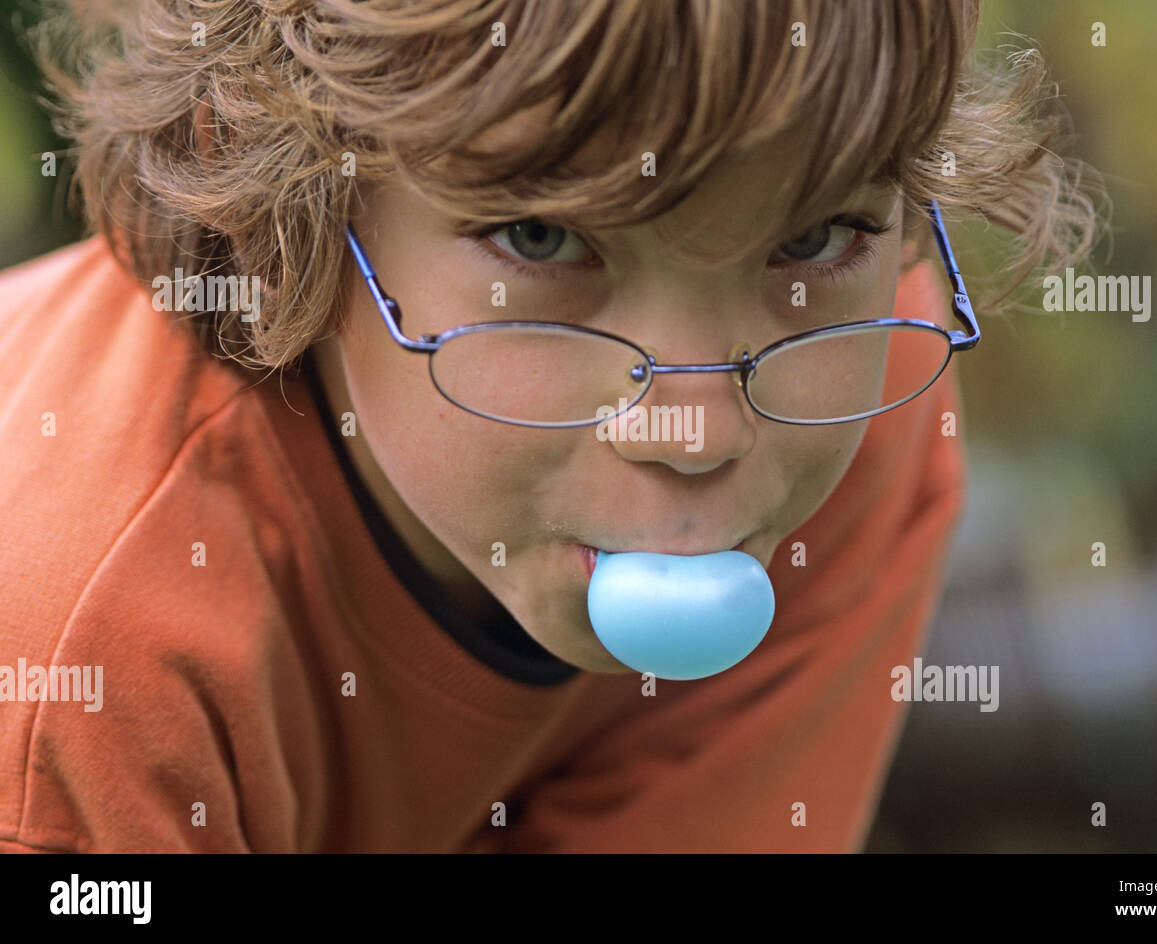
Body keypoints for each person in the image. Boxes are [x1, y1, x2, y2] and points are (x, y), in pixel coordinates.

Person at [0, 0, 1101, 852]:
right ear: (292, 209)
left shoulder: (865, 397)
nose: (696, 428)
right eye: (538, 238)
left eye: (814, 242)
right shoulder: (84, 660)